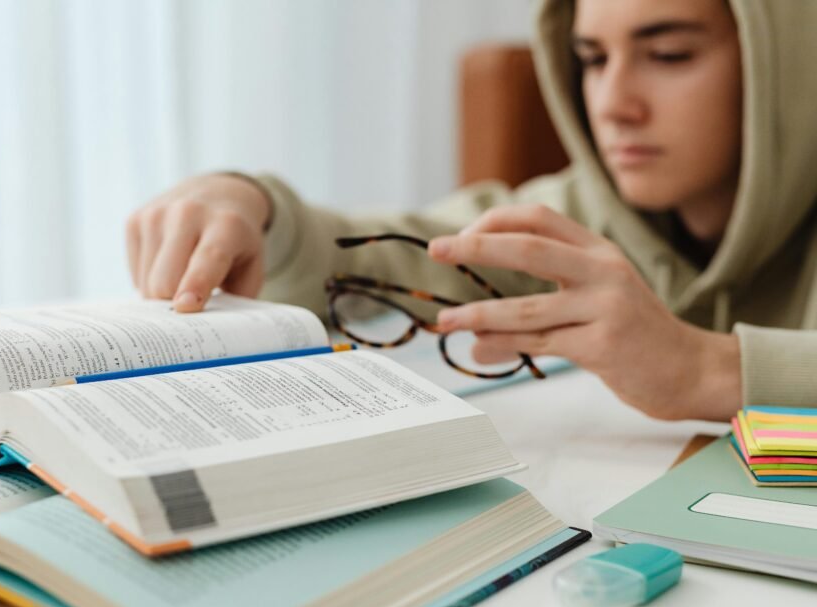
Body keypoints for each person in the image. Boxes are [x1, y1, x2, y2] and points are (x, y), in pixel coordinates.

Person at [125, 0, 817, 422]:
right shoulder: (584, 209)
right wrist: (255, 204)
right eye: (592, 58)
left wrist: (702, 369)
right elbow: (402, 251)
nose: (612, 103)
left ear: (785, 62)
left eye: (669, 54)